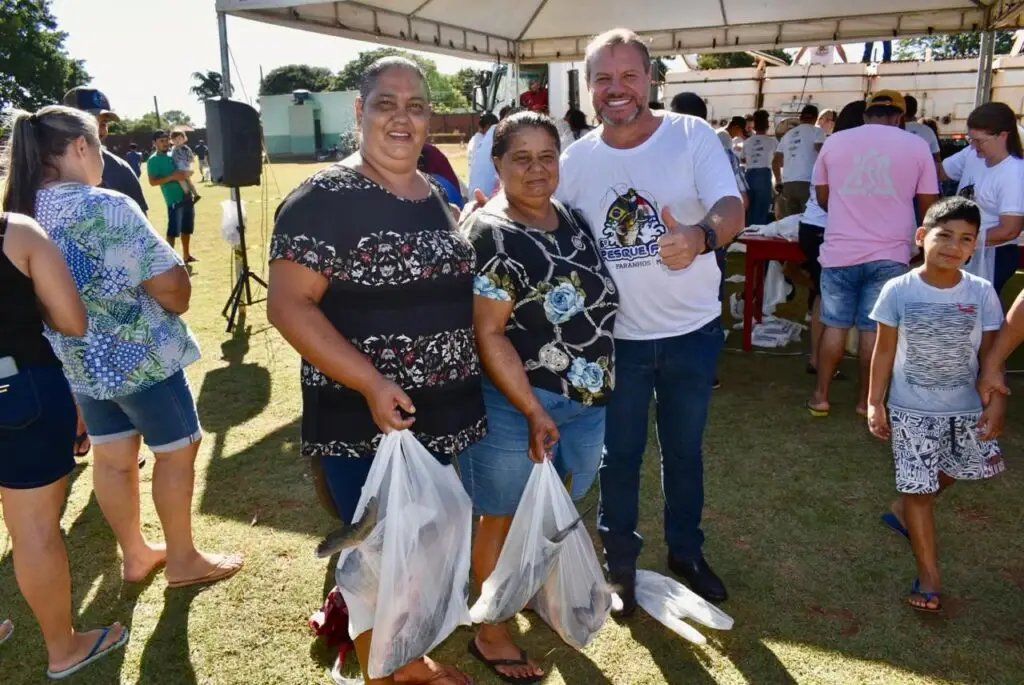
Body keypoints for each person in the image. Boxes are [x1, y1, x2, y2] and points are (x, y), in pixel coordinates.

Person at [267, 56, 483, 685]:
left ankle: (405, 660)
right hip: (363, 422)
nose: (402, 117)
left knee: (419, 547)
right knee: (377, 558)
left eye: (416, 106)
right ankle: (385, 672)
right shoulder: (322, 199)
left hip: (435, 418)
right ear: (360, 111)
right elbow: (288, 305)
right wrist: (370, 381)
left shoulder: (432, 193)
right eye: (386, 103)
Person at [2, 105, 243, 594]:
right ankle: (183, 558)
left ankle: (135, 554)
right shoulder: (105, 204)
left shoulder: (21, 213)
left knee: (112, 459)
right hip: (143, 358)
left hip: (78, 365)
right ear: (80, 147)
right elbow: (171, 287)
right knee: (177, 451)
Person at [558, 29, 745, 611]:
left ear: (651, 79)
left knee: (684, 452)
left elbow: (732, 206)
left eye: (629, 76)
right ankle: (619, 567)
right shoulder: (575, 159)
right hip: (616, 341)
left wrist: (701, 236)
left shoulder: (691, 135)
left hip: (691, 333)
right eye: (603, 78)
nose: (616, 89)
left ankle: (686, 552)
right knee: (619, 456)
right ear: (589, 87)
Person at [458, 111, 618, 683]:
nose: (536, 169)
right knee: (501, 515)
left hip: (585, 403)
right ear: (497, 164)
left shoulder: (571, 218)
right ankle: (491, 630)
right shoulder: (491, 234)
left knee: (555, 506)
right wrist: (532, 409)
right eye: (520, 158)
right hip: (518, 405)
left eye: (546, 156)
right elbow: (488, 332)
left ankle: (525, 590)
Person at [0, 203, 129, 679]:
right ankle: (64, 648)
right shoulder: (17, 233)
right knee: (34, 529)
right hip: (18, 387)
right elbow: (72, 320)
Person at [867, 197, 1005, 613]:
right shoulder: (898, 289)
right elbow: (883, 351)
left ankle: (902, 508)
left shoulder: (982, 292)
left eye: (966, 239)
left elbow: (992, 356)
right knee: (919, 488)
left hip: (965, 407)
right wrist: (875, 403)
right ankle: (929, 578)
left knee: (960, 469)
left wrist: (995, 403)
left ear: (975, 246)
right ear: (921, 236)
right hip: (910, 409)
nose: (953, 246)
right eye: (944, 235)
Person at [807, 90, 939, 417]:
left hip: (840, 248)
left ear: (866, 115)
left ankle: (820, 396)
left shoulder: (835, 142)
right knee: (873, 329)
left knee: (834, 324)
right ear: (900, 117)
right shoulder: (917, 145)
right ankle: (865, 401)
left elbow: (822, 198)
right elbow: (929, 206)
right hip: (891, 251)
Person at [798, 100, 866, 376]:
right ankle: (821, 360)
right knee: (831, 299)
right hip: (828, 228)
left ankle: (818, 359)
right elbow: (832, 198)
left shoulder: (833, 145)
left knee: (824, 295)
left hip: (815, 227)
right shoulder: (847, 150)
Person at [960, 102, 1024, 294]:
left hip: (994, 254)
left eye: (980, 141)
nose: (973, 146)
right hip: (970, 248)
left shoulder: (1014, 173)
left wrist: (959, 239)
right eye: (970, 139)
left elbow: (1009, 230)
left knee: (977, 306)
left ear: (1003, 136)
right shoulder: (973, 154)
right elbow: (942, 172)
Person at [63, 87, 148, 215]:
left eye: (103, 123)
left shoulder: (121, 170)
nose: (101, 131)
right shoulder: (41, 167)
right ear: (67, 122)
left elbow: (140, 221)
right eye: (90, 122)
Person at [147, 130, 197, 263]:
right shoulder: (153, 160)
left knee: (187, 228)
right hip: (173, 199)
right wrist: (172, 177)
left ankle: (186, 255)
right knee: (173, 230)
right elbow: (152, 182)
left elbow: (185, 166)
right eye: (161, 141)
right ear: (154, 143)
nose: (165, 143)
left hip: (187, 195)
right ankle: (170, 260)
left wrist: (187, 173)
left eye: (166, 140)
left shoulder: (173, 154)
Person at [772, 104, 825, 218]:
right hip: (807, 182)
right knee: (808, 220)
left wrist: (778, 181)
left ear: (801, 118)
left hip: (788, 185)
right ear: (815, 118)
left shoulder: (787, 135)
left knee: (790, 222)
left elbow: (775, 161)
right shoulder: (817, 131)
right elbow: (820, 150)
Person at [742, 109, 777, 226]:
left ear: (754, 126)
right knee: (761, 209)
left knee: (748, 209)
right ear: (767, 125)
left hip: (748, 175)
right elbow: (778, 160)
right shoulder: (773, 142)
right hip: (764, 174)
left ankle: (746, 232)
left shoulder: (747, 142)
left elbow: (743, 159)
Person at [469, 112, 501, 198]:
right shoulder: (493, 135)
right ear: (488, 126)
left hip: (473, 192)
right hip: (487, 194)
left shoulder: (475, 140)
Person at [903, 95, 941, 165]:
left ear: (902, 110)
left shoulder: (894, 130)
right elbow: (937, 158)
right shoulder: (928, 131)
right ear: (916, 110)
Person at [169, 131, 202, 203]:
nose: (177, 141)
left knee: (182, 181)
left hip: (183, 168)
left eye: (179, 138)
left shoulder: (185, 148)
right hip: (179, 167)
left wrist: (187, 161)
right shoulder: (173, 148)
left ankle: (188, 195)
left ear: (184, 139)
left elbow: (191, 158)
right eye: (174, 139)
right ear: (172, 141)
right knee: (188, 182)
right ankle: (196, 195)